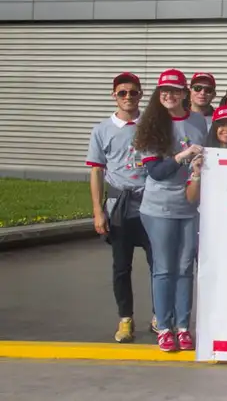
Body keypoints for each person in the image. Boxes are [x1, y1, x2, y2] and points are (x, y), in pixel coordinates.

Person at [133, 69, 206, 353]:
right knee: (164, 268)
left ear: (184, 93)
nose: (169, 95)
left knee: (185, 267)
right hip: (159, 206)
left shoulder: (198, 120)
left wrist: (199, 166)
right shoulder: (150, 124)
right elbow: (157, 171)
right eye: (164, 90)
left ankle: (183, 326)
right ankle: (164, 326)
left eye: (175, 91)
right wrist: (182, 156)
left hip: (190, 204)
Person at [86, 72, 155, 343]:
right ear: (114, 95)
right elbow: (95, 171)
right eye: (123, 92)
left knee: (157, 263)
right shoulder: (101, 130)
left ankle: (159, 315)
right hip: (119, 204)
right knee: (121, 266)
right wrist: (97, 210)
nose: (128, 97)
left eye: (133, 92)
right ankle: (125, 318)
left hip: (150, 203)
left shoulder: (151, 126)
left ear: (140, 95)